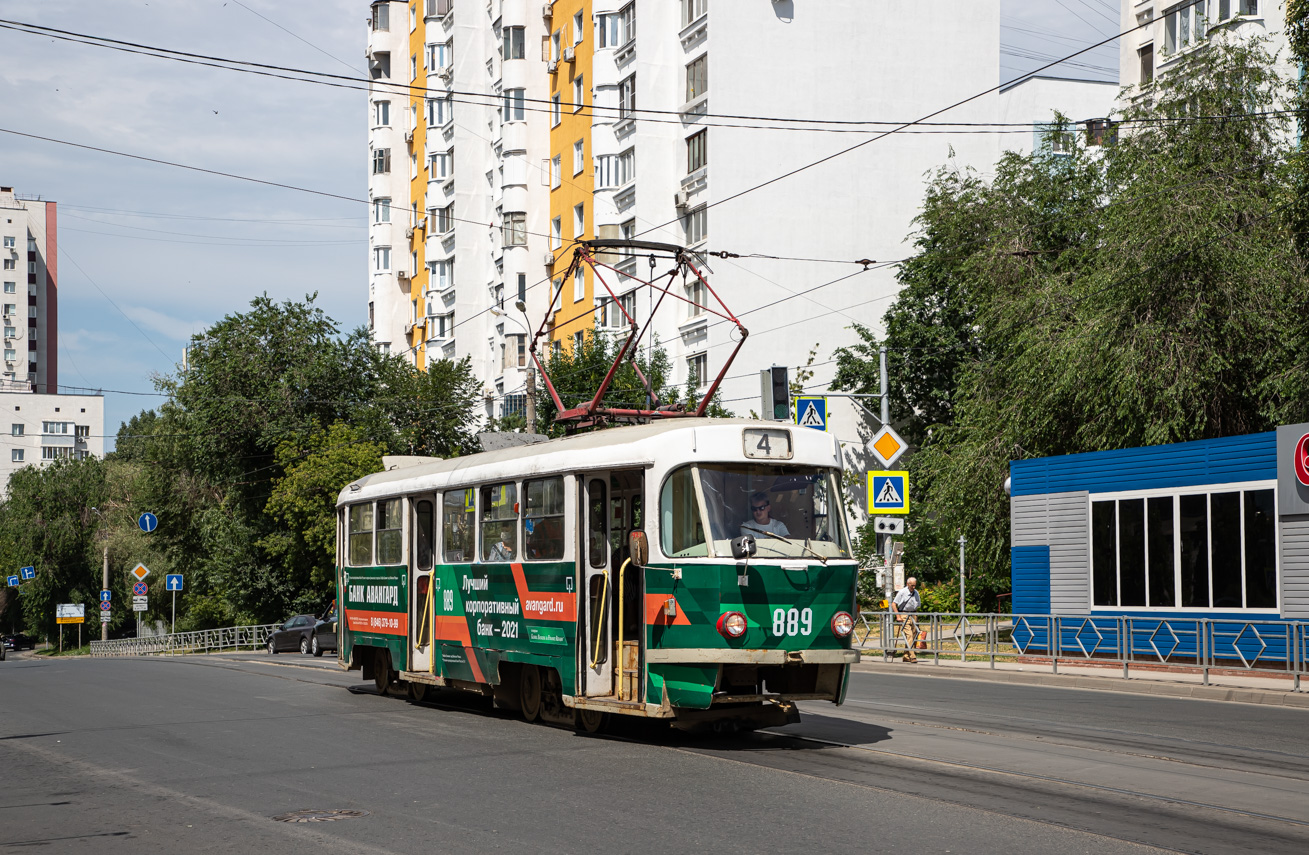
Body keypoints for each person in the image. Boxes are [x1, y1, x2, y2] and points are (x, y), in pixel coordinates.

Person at [891, 576, 921, 662]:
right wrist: (898, 616)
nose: (913, 587)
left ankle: (906, 655)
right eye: (912, 585)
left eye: (915, 585)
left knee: (914, 635)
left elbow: (917, 604)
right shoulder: (902, 592)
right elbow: (893, 604)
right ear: (908, 584)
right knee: (909, 635)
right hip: (904, 614)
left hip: (913, 614)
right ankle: (912, 656)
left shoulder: (916, 593)